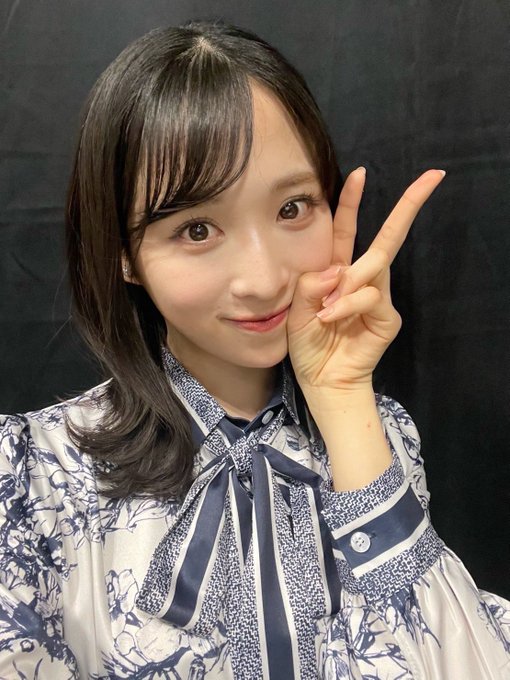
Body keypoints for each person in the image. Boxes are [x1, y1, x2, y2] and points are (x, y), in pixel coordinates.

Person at [0, 20, 508, 680]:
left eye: (293, 208)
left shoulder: (379, 438)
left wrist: (343, 400)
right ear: (124, 254)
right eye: (197, 229)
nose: (264, 279)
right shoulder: (33, 478)